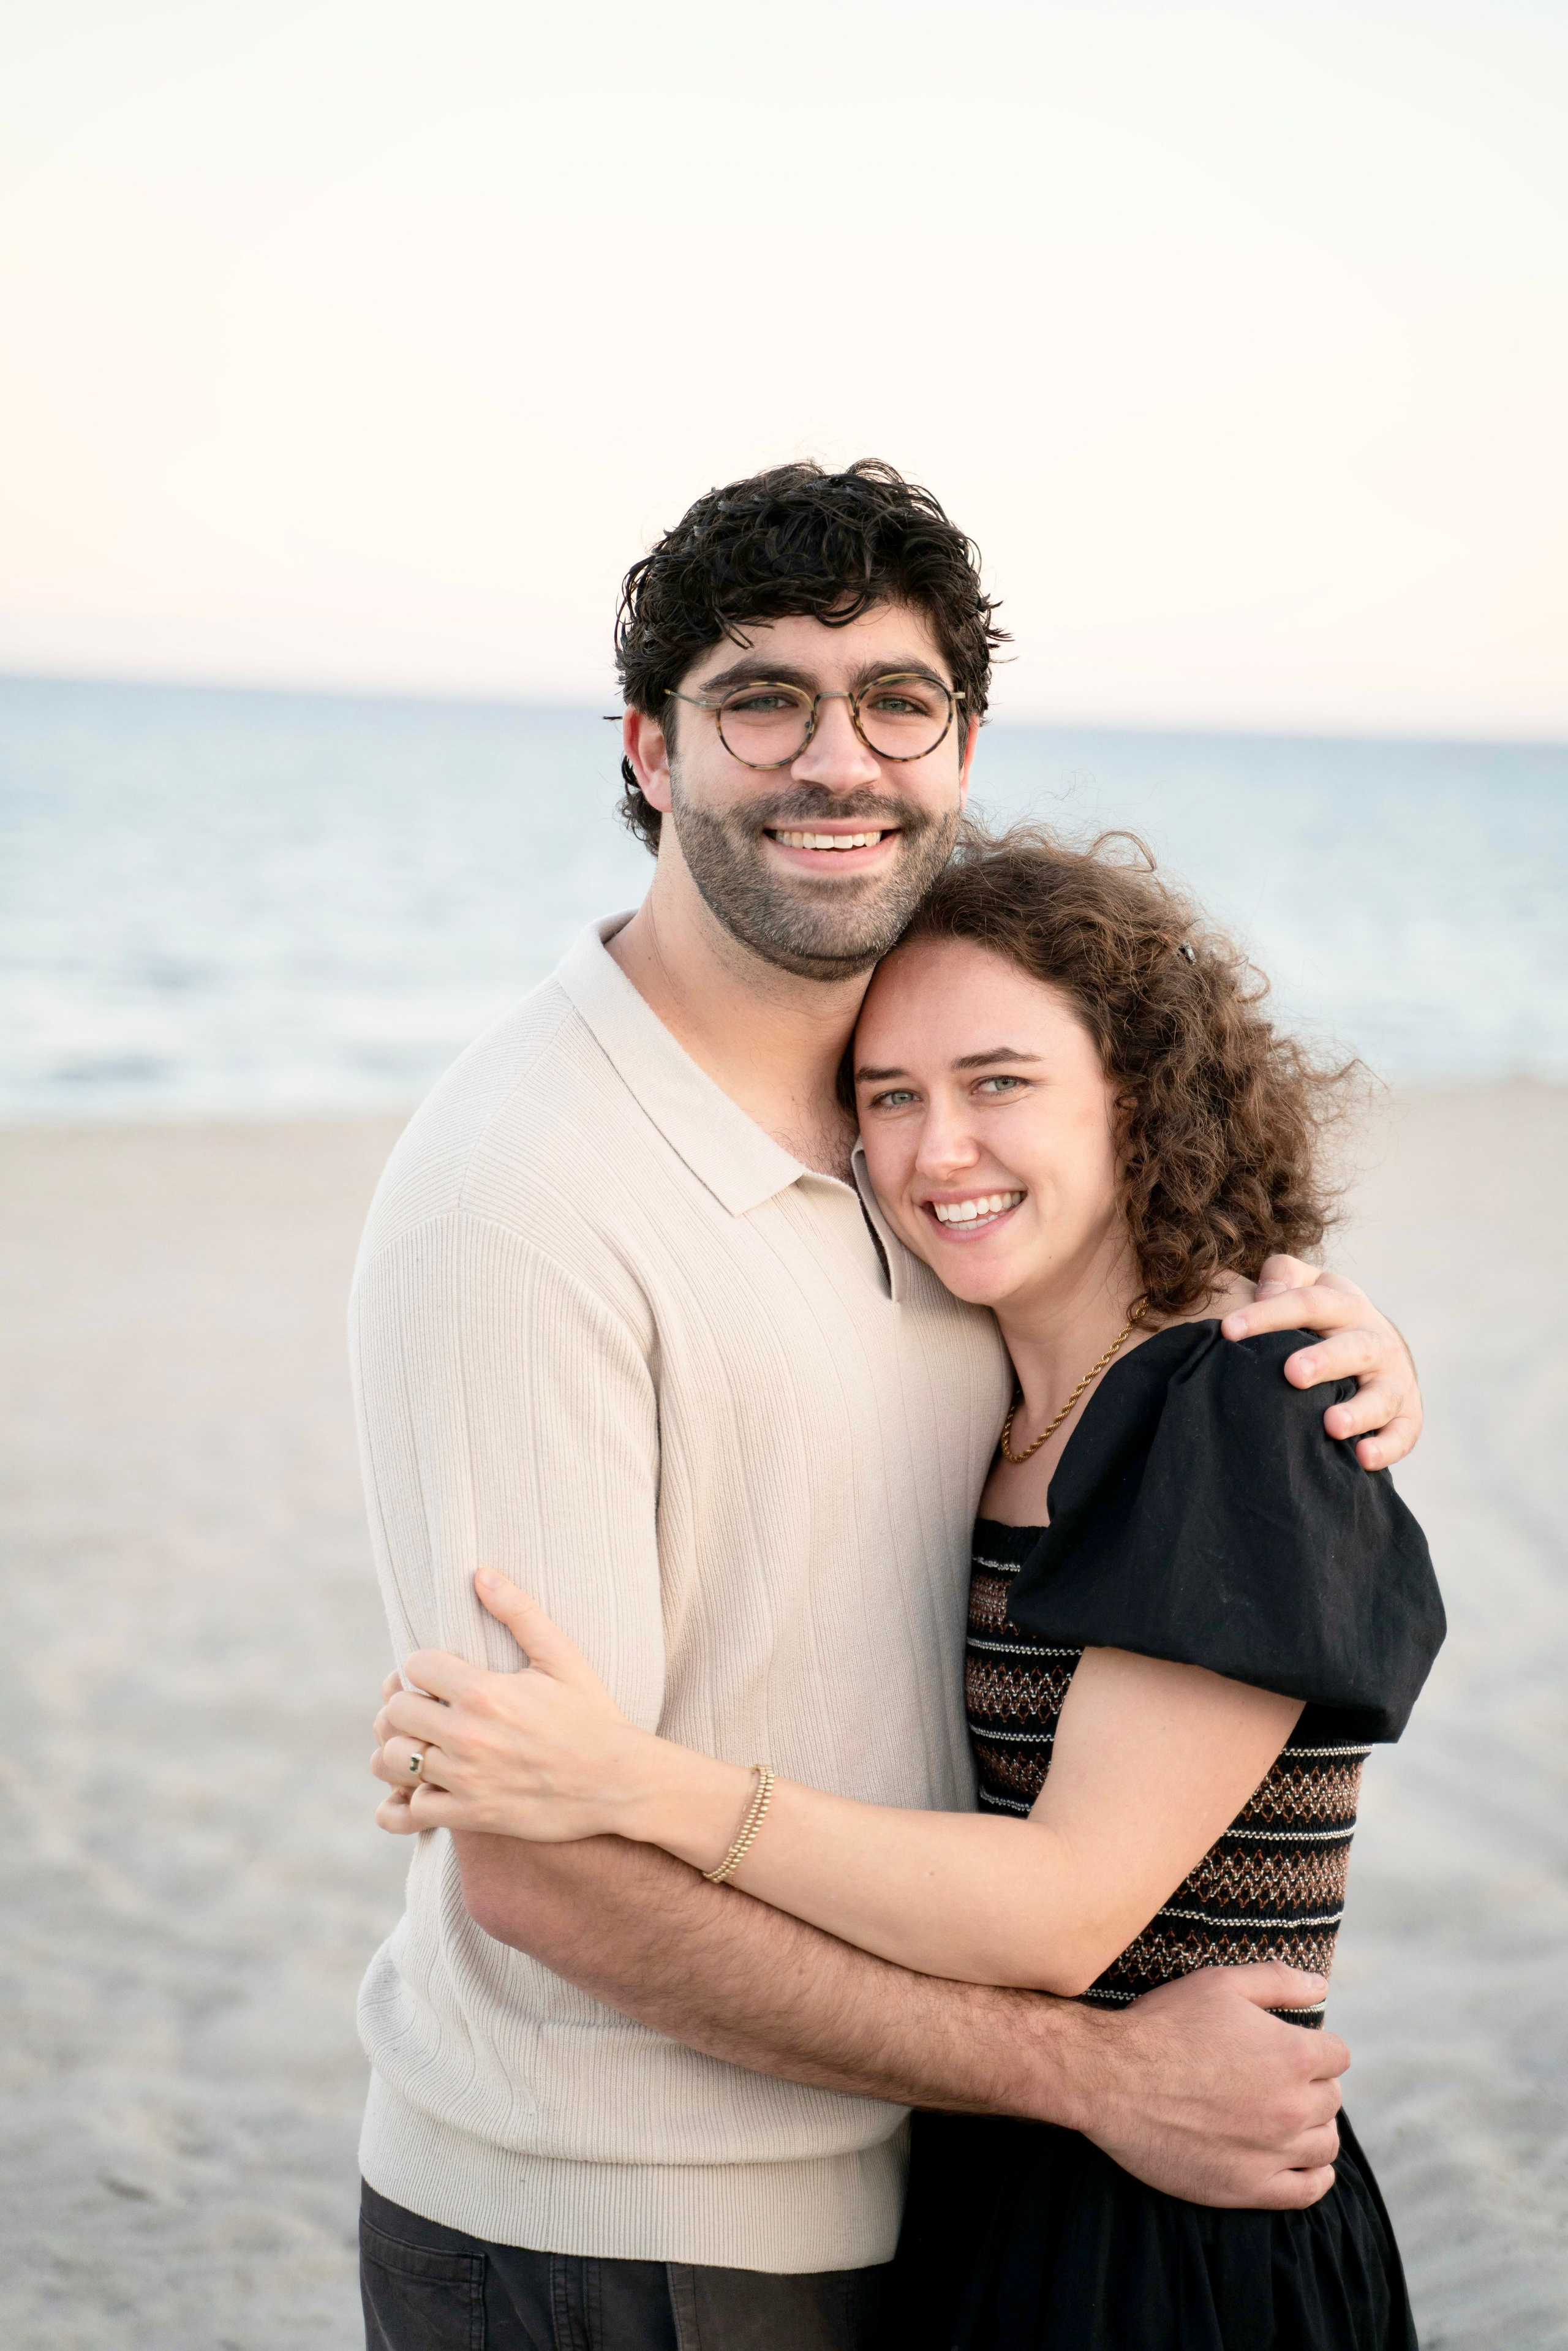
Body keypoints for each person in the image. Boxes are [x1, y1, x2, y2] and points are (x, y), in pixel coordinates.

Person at [349, 461, 1427, 2351]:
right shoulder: (528, 1196)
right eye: (759, 697)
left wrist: (1316, 1332)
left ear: (961, 742)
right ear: (650, 751)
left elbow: (1144, 1337)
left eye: (894, 702)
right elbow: (538, 1865)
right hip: (640, 2224)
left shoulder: (892, 1132)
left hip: (938, 2192)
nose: (833, 758)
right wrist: (1082, 2076)